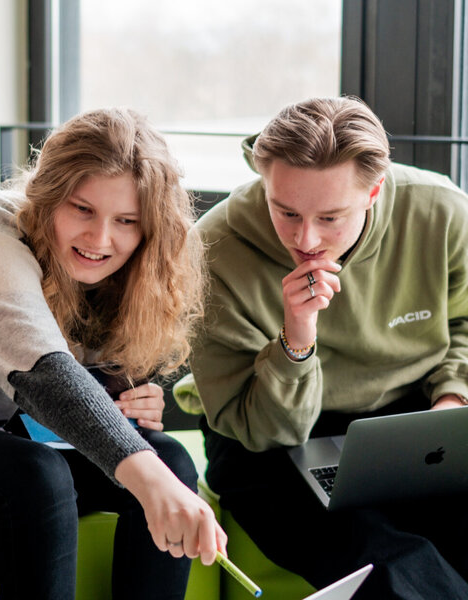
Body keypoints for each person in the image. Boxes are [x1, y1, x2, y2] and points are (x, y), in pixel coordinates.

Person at [0, 108, 225, 599]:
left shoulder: (129, 265)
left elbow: (95, 365)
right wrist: (142, 469)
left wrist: (127, 396)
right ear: (48, 195)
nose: (100, 239)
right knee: (41, 475)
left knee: (174, 461)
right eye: (82, 209)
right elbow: (44, 371)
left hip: (27, 431)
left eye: (126, 221)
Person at [191, 96, 468, 598]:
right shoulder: (213, 249)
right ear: (264, 180)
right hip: (264, 441)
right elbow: (261, 428)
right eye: (286, 211)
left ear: (374, 191)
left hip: (410, 414)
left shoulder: (441, 211)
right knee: (390, 567)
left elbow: (466, 322)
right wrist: (296, 338)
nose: (307, 238)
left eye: (331, 217)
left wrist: (450, 403)